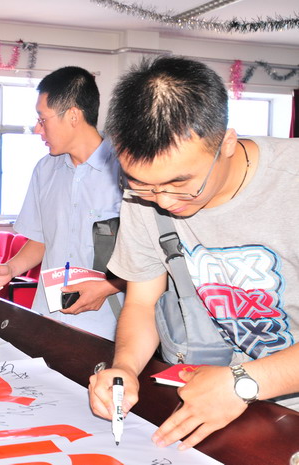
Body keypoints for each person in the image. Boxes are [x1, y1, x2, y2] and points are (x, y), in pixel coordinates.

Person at [88, 56, 299, 450]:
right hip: (237, 401)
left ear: (227, 143)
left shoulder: (291, 184)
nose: (164, 201)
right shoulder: (146, 194)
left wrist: (243, 383)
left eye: (181, 184)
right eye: (142, 184)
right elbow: (142, 302)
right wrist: (124, 368)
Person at [0, 66, 124, 340]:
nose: (38, 129)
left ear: (73, 115)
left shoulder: (126, 171)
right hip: (48, 317)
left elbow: (150, 260)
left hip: (107, 326)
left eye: (42, 119)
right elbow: (42, 240)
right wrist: (11, 268)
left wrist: (109, 287)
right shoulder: (45, 170)